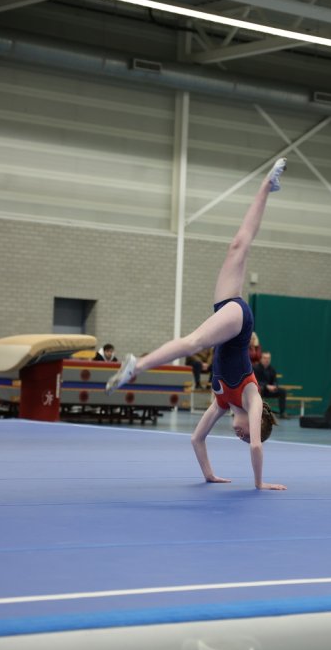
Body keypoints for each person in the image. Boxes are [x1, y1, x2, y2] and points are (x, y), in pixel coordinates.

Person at [106, 158, 288, 490]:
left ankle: (267, 186)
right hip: (238, 323)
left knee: (239, 245)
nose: (239, 435)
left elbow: (196, 439)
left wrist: (209, 475)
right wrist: (260, 484)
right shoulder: (252, 398)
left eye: (240, 438)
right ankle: (137, 366)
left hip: (225, 312)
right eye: (245, 434)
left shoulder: (222, 403)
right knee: (193, 343)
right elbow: (257, 447)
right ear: (257, 422)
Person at [254, 351, 288, 419]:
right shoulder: (255, 368)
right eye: (265, 358)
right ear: (261, 359)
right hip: (260, 390)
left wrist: (274, 386)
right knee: (260, 390)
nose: (267, 360)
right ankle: (258, 413)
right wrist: (266, 386)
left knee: (282, 392)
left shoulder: (272, 369)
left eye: (268, 358)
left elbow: (275, 380)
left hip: (270, 391)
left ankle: (282, 413)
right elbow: (256, 381)